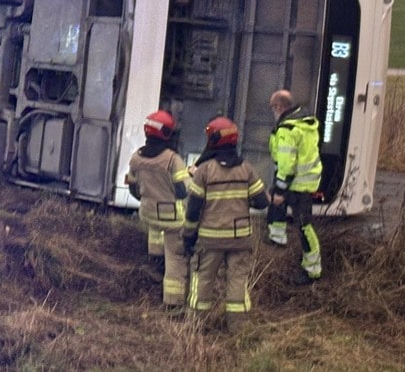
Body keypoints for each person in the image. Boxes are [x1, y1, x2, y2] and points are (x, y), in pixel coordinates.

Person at [183, 117, 269, 329]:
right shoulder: (247, 169)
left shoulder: (203, 171)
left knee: (202, 281)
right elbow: (261, 202)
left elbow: (193, 209)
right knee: (238, 282)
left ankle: (195, 326)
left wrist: (188, 236)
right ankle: (238, 328)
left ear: (212, 139)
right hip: (240, 239)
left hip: (210, 239)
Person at [124, 110, 190, 311]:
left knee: (156, 233)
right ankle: (173, 302)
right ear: (167, 133)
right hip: (170, 217)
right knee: (175, 257)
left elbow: (133, 188)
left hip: (147, 212)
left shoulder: (136, 158)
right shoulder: (172, 160)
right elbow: (182, 191)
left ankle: (154, 262)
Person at [265, 89, 323, 284]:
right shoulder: (305, 123)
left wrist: (280, 190)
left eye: (273, 107)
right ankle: (277, 236)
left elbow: (287, 165)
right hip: (306, 180)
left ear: (279, 107)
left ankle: (312, 269)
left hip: (297, 182)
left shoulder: (287, 130)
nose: (272, 111)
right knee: (280, 207)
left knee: (304, 225)